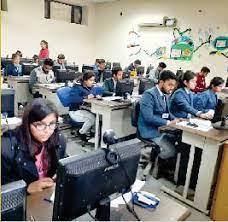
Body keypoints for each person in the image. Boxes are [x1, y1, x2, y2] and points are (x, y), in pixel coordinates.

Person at [1, 98, 66, 194]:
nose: (47, 130)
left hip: (46, 195)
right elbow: (3, 185)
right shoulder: (7, 146)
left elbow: (63, 161)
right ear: (27, 124)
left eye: (52, 124)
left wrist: (61, 172)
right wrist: (27, 188)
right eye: (40, 125)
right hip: (22, 201)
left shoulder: (58, 139)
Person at [138, 70, 181, 159]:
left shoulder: (165, 95)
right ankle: (152, 162)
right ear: (161, 82)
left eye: (173, 85)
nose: (172, 88)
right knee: (171, 150)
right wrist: (168, 123)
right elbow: (148, 117)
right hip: (149, 130)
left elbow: (167, 113)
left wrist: (177, 120)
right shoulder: (149, 94)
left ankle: (161, 165)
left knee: (180, 142)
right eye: (170, 85)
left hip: (161, 129)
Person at [69, 71, 103, 141]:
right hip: (75, 111)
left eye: (93, 80)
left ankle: (93, 134)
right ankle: (81, 132)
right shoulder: (77, 87)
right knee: (92, 118)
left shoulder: (91, 87)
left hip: (85, 109)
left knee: (99, 116)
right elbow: (73, 99)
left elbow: (92, 94)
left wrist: (96, 96)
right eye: (91, 80)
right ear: (85, 80)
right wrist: (85, 97)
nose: (93, 82)